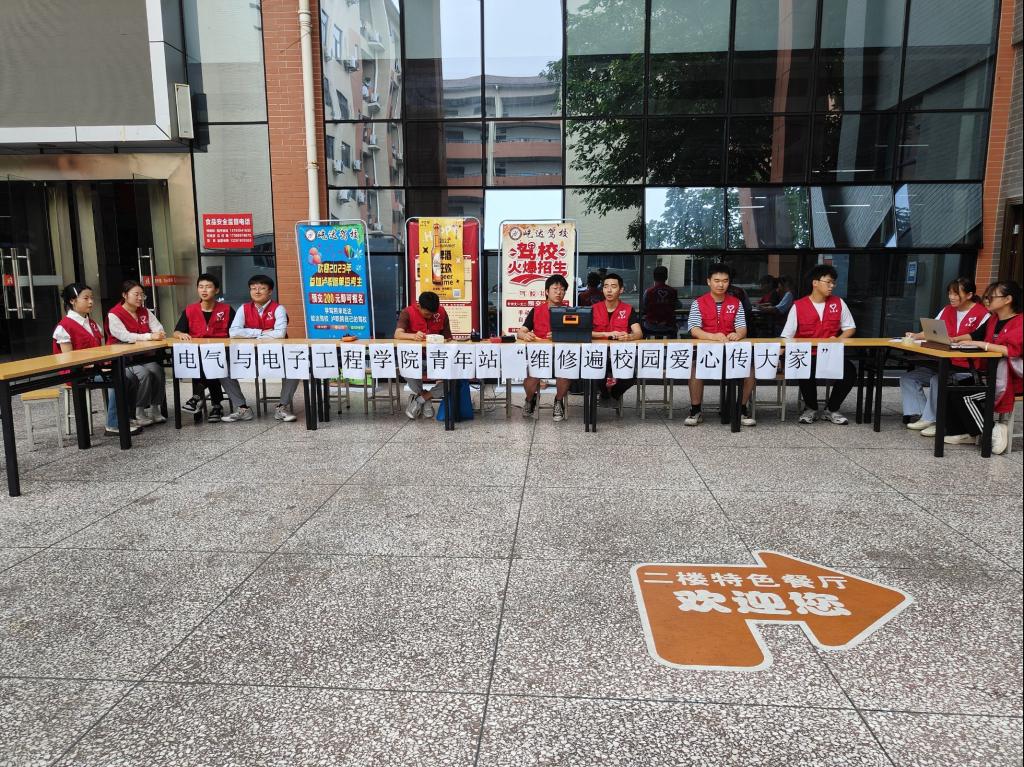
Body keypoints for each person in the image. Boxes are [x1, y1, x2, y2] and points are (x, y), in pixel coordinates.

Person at [900, 277, 989, 435]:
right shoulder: (947, 310)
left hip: (966, 367)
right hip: (942, 362)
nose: (951, 297)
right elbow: (931, 330)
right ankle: (923, 415)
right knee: (909, 378)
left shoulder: (982, 314)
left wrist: (956, 340)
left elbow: (980, 339)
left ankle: (936, 420)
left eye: (956, 294)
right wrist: (915, 335)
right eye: (950, 293)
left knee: (938, 379)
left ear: (969, 295)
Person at [53, 283, 141, 436]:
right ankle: (113, 424)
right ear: (72, 301)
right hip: (78, 373)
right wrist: (93, 366)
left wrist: (102, 364)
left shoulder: (92, 324)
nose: (91, 302)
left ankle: (126, 417)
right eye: (86, 298)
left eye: (92, 298)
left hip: (95, 369)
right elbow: (68, 360)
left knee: (130, 377)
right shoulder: (64, 327)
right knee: (120, 378)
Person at [945, 281, 1022, 454]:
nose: (986, 300)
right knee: (952, 388)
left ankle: (993, 430)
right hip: (990, 375)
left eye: (991, 297)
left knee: (966, 396)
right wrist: (955, 339)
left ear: (1008, 299)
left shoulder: (1020, 322)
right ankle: (969, 432)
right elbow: (975, 335)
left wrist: (983, 345)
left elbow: (1011, 351)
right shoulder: (994, 319)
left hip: (1012, 381)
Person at [780, 264, 857, 424]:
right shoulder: (798, 306)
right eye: (828, 282)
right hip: (807, 354)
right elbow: (787, 335)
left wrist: (839, 338)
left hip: (830, 355)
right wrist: (779, 354)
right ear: (815, 283)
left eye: (833, 283)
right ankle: (811, 408)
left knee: (850, 370)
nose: (832, 286)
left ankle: (832, 409)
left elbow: (850, 328)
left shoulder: (838, 303)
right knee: (804, 366)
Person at [684, 263, 756, 427]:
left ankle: (741, 409)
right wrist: (713, 337)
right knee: (694, 369)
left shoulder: (736, 303)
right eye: (717, 280)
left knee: (750, 370)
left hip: (730, 351)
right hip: (706, 351)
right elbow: (694, 329)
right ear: (708, 281)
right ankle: (695, 410)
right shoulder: (698, 303)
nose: (721, 284)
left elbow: (742, 327)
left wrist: (738, 334)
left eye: (725, 281)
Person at [172, 273, 244, 424]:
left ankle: (197, 397)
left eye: (208, 287)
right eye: (201, 287)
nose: (204, 290)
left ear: (216, 290)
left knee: (211, 362)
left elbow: (236, 332)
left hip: (222, 353)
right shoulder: (190, 310)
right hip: (198, 354)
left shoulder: (226, 309)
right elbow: (177, 331)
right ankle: (216, 406)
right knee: (208, 363)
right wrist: (181, 334)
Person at [225, 274, 297, 422]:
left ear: (270, 291)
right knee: (223, 370)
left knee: (295, 367)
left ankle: (282, 407)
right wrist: (261, 332)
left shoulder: (278, 309)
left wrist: (247, 333)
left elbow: (280, 334)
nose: (257, 291)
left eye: (262, 288)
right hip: (250, 356)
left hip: (276, 356)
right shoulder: (243, 308)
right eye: (253, 288)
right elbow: (234, 332)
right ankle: (242, 408)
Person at [106, 280, 167, 427]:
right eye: (136, 294)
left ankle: (155, 408)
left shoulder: (144, 311)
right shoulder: (114, 314)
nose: (140, 298)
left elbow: (159, 329)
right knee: (143, 374)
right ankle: (139, 411)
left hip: (143, 355)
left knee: (158, 370)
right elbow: (124, 336)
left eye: (142, 295)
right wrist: (149, 336)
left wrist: (155, 334)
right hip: (123, 358)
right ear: (124, 295)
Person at [518, 275, 571, 422]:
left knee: (566, 371)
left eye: (562, 289)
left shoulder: (570, 312)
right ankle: (530, 399)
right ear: (547, 291)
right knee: (530, 377)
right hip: (540, 356)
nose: (559, 292)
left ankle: (558, 401)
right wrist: (525, 335)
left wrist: (561, 335)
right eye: (555, 288)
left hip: (561, 356)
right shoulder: (536, 310)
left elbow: (577, 335)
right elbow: (520, 332)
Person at [394, 291, 452, 419]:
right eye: (427, 314)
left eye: (432, 314)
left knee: (452, 381)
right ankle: (425, 399)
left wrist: (441, 339)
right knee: (406, 369)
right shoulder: (407, 312)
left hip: (436, 358)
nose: (430, 316)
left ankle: (420, 399)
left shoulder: (441, 312)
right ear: (419, 306)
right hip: (415, 358)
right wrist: (413, 336)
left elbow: (448, 338)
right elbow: (397, 334)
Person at [592, 273, 644, 406]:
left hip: (621, 354)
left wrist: (630, 336)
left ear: (621, 290)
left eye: (613, 286)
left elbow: (638, 333)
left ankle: (613, 394)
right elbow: (585, 333)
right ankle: (604, 395)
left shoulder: (628, 309)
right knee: (595, 372)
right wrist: (605, 334)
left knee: (632, 375)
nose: (609, 290)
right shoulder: (593, 309)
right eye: (606, 286)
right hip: (599, 354)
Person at [643, 265, 679, 338]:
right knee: (673, 327)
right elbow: (678, 305)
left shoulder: (648, 291)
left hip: (651, 325)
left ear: (654, 277)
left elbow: (644, 306)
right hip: (668, 326)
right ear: (666, 277)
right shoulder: (673, 291)